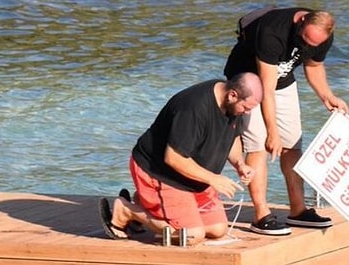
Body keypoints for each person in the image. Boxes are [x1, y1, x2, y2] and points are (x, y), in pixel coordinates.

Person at [224, 7, 349, 236]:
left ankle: (298, 210)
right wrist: (272, 131)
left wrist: (327, 96)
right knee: (258, 143)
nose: (309, 46)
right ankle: (261, 214)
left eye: (314, 43)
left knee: (293, 143)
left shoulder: (321, 34)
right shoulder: (272, 31)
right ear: (301, 22)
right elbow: (267, 89)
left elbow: (314, 65)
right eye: (305, 40)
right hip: (250, 81)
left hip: (283, 80)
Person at [99, 72, 263, 246]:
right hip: (161, 174)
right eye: (246, 108)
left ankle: (146, 202)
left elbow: (232, 137)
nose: (247, 112)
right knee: (191, 236)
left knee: (217, 229)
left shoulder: (231, 104)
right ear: (232, 95)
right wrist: (213, 179)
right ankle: (126, 211)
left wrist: (239, 163)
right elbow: (174, 158)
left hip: (193, 177)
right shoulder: (193, 109)